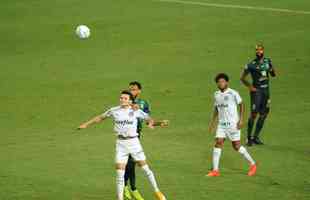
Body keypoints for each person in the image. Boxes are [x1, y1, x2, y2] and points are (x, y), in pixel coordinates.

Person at [78, 90, 167, 200]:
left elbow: (149, 119)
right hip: (121, 144)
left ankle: (157, 192)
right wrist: (86, 124)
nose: (122, 100)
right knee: (120, 172)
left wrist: (157, 123)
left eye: (125, 98)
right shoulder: (114, 110)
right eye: (121, 98)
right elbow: (100, 118)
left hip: (134, 143)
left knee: (144, 168)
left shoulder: (136, 111)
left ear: (130, 101)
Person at [124, 81, 168, 200]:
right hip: (126, 137)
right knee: (129, 162)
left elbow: (148, 121)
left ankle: (130, 188)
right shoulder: (126, 102)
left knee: (132, 163)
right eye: (130, 89)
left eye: (134, 89)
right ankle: (129, 188)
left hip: (136, 136)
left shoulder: (144, 103)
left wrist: (159, 123)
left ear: (139, 91)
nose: (131, 91)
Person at [207, 73, 257, 177]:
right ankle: (215, 170)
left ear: (226, 82)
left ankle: (253, 164)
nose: (221, 83)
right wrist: (212, 122)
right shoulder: (216, 94)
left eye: (223, 81)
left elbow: (242, 104)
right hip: (221, 124)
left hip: (233, 124)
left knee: (236, 146)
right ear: (217, 84)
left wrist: (241, 120)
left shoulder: (233, 93)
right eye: (219, 82)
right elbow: (216, 108)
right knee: (218, 142)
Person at [240, 44, 277, 146]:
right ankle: (248, 138)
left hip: (266, 92)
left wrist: (271, 68)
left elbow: (273, 75)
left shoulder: (267, 61)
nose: (258, 52)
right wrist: (250, 86)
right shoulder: (251, 64)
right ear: (255, 52)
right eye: (257, 50)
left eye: (260, 50)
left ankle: (256, 137)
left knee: (264, 114)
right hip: (257, 92)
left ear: (263, 51)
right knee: (254, 114)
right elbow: (242, 77)